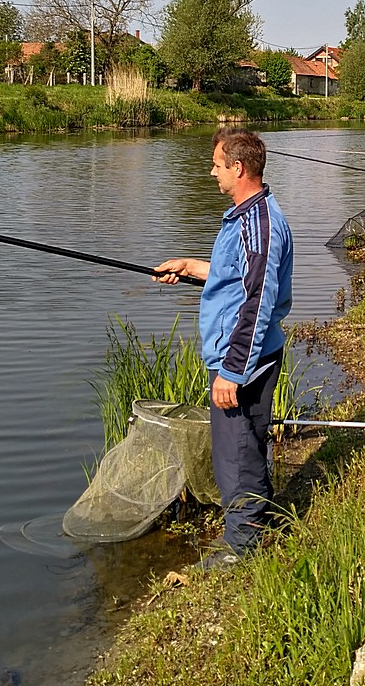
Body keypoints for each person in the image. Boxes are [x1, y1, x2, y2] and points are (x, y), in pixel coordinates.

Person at [153, 127, 294, 571]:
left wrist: (232, 371)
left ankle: (241, 548)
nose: (211, 172)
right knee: (245, 445)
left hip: (244, 359)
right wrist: (192, 267)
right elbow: (236, 277)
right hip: (241, 354)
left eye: (216, 165)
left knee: (235, 454)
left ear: (238, 167)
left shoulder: (261, 223)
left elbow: (258, 301)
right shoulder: (244, 215)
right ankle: (257, 522)